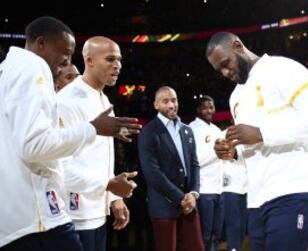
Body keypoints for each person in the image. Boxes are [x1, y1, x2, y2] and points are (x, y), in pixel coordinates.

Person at [0, 16, 140, 251]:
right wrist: (94, 129)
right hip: (48, 215)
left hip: (79, 211)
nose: (66, 62)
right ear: (41, 44)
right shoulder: (38, 73)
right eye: (65, 53)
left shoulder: (8, 70)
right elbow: (39, 148)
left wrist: (112, 197)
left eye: (119, 59)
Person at [206, 31, 308, 251]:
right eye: (220, 70)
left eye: (226, 64)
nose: (226, 72)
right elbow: (253, 148)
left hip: (293, 190)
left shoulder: (282, 68)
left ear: (238, 46)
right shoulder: (235, 97)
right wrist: (234, 152)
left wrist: (262, 133)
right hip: (256, 200)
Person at [57, 36, 139, 251]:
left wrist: (112, 198)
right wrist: (109, 185)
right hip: (72, 214)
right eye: (110, 59)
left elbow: (99, 157)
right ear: (89, 60)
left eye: (119, 59)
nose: (118, 65)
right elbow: (61, 168)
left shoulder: (103, 99)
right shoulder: (67, 100)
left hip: (97, 211)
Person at [138, 86, 205, 251]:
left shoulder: (187, 130)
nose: (171, 105)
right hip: (164, 206)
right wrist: (181, 197)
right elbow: (152, 173)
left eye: (174, 100)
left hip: (189, 204)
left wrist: (194, 194)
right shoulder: (148, 132)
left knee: (197, 247)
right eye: (165, 101)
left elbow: (194, 165)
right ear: (156, 105)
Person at [189, 95, 224, 251]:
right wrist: (218, 152)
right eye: (205, 107)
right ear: (198, 110)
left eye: (211, 107)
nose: (209, 110)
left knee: (216, 234)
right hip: (203, 190)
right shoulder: (192, 129)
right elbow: (195, 161)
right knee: (204, 234)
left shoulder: (216, 130)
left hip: (219, 188)